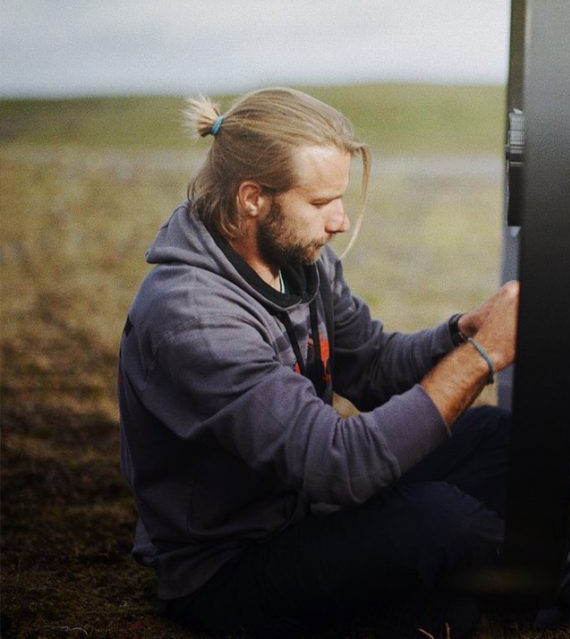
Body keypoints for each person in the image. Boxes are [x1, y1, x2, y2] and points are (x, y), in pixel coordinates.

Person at [117, 87, 519, 638]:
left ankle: (435, 600)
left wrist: (461, 332)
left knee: (497, 438)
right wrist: (479, 358)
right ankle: (501, 589)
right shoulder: (192, 319)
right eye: (321, 202)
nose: (339, 222)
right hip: (231, 567)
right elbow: (339, 466)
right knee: (442, 521)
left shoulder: (298, 258)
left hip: (308, 510)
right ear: (252, 197)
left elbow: (374, 365)